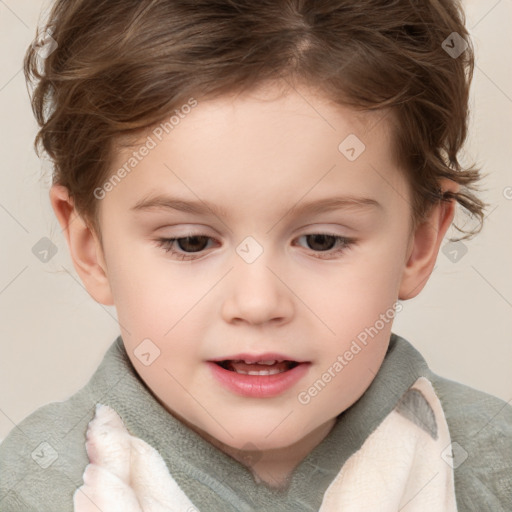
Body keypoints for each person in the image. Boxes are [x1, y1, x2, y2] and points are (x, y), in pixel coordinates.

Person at [1, 1, 510, 511]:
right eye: (191, 242)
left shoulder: (493, 467)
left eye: (321, 241)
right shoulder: (31, 488)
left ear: (418, 244)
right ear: (92, 249)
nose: (258, 302)